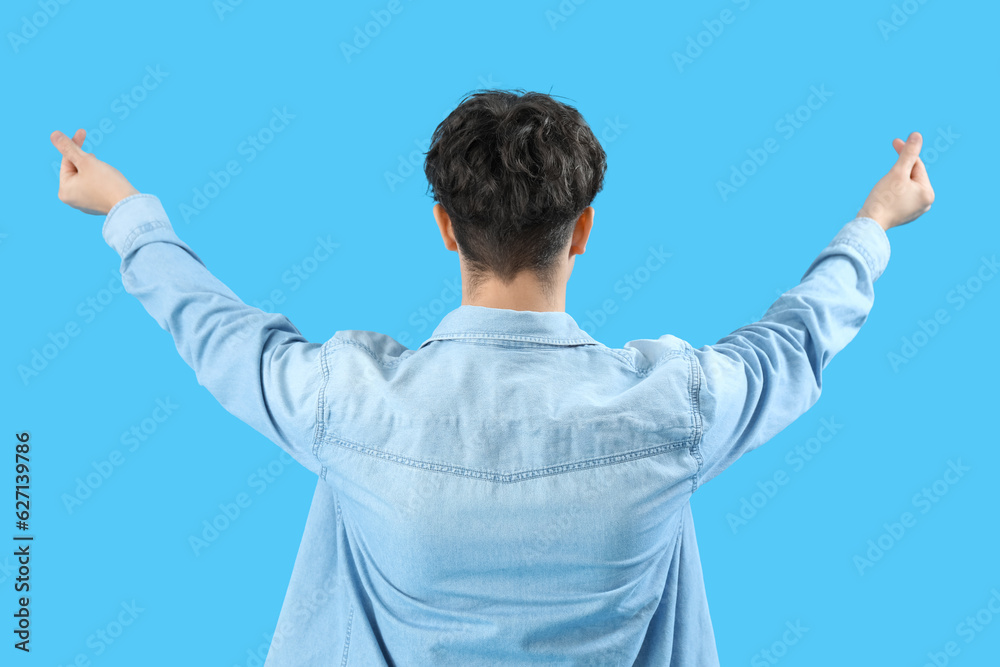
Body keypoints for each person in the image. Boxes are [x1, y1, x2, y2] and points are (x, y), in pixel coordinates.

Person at [50, 89, 933, 666]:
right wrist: (876, 218)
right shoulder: (679, 407)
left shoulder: (346, 401)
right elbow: (801, 337)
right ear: (582, 230)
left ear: (444, 227)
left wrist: (128, 211)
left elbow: (213, 329)